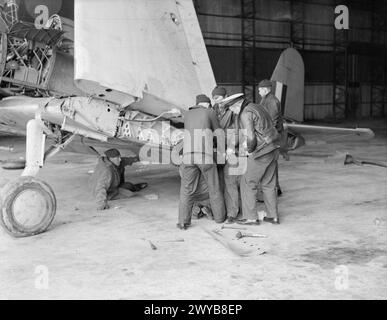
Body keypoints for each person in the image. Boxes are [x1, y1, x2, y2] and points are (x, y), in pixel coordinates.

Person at [227, 96, 281, 225]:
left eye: (233, 109)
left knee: (247, 183)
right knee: (269, 184)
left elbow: (251, 136)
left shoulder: (245, 112)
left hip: (261, 152)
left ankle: (251, 217)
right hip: (272, 148)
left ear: (238, 105)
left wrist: (249, 150)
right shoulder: (258, 107)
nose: (233, 112)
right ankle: (273, 216)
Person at [177, 94, 226, 229]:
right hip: (204, 156)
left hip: (187, 157)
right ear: (206, 104)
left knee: (186, 190)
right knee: (214, 187)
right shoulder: (209, 112)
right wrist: (222, 155)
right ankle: (219, 218)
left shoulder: (187, 114)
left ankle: (182, 222)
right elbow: (219, 132)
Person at [257, 79, 284, 196]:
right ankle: (275, 188)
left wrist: (265, 137)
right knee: (270, 162)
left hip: (271, 136)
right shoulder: (265, 99)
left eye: (259, 89)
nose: (258, 91)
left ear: (265, 89)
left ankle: (274, 188)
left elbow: (272, 122)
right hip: (269, 135)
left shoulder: (271, 101)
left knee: (271, 162)